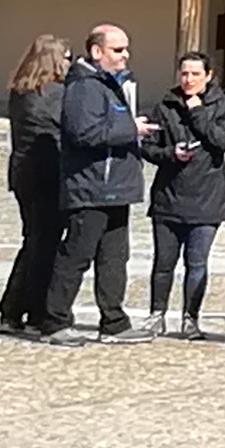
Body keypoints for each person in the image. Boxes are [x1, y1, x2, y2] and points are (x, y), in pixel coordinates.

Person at [51, 21, 146, 341]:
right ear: (96, 51)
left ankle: (114, 322)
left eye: (126, 49)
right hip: (91, 187)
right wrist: (131, 129)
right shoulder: (83, 87)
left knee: (114, 258)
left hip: (116, 187)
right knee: (77, 256)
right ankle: (55, 320)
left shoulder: (111, 84)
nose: (125, 55)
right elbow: (84, 133)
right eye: (117, 49)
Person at [140, 47, 225, 337]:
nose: (189, 79)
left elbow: (223, 140)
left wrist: (197, 112)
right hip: (169, 196)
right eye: (184, 73)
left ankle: (190, 318)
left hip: (207, 199)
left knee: (196, 263)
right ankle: (156, 315)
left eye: (196, 74)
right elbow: (149, 147)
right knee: (163, 262)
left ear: (209, 76)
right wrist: (171, 153)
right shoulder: (166, 105)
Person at [0, 35, 74, 338]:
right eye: (66, 57)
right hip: (47, 173)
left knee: (33, 241)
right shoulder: (54, 93)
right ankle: (34, 310)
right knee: (45, 244)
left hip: (23, 173)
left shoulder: (21, 90)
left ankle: (14, 309)